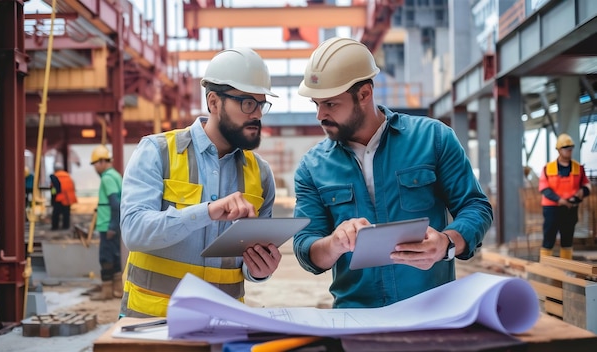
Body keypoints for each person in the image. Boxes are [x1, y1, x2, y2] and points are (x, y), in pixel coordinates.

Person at [292, 37, 494, 309]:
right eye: (316, 104)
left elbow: (475, 207)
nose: (320, 115)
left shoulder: (433, 139)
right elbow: (306, 246)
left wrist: (446, 243)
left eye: (330, 104)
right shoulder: (312, 167)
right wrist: (334, 243)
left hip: (432, 309)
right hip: (356, 317)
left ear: (364, 94)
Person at [119, 47, 282, 318]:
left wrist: (259, 271)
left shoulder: (261, 175)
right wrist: (207, 211)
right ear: (214, 102)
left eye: (261, 104)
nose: (257, 114)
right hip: (152, 324)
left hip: (224, 324)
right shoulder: (158, 152)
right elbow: (135, 233)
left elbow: (246, 265)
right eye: (247, 103)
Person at [538, 133, 591, 260]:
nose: (569, 151)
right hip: (552, 209)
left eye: (570, 148)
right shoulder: (548, 168)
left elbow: (587, 185)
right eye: (566, 148)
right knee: (549, 239)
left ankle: (566, 268)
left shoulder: (578, 168)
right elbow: (544, 188)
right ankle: (546, 268)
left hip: (570, 208)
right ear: (559, 150)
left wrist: (583, 191)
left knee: (567, 239)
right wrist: (560, 200)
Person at [89, 145, 124, 301]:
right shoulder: (115, 175)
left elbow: (115, 204)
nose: (95, 168)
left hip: (107, 225)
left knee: (106, 258)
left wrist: (111, 226)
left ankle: (107, 291)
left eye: (95, 164)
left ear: (103, 161)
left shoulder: (107, 178)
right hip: (113, 224)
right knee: (115, 257)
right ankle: (117, 289)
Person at [49, 162, 77, 230]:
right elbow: (72, 187)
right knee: (66, 213)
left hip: (59, 198)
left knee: (56, 214)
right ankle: (66, 226)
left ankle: (55, 227)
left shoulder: (55, 176)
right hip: (68, 198)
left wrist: (53, 198)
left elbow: (53, 189)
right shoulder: (68, 176)